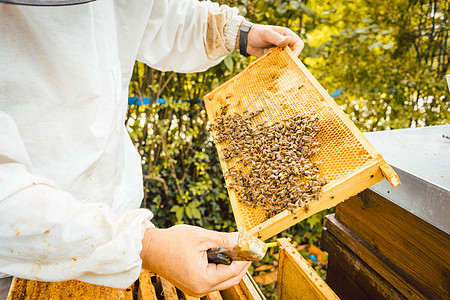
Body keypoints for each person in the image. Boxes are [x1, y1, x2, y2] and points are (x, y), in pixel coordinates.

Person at [0, 0, 303, 298]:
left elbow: (147, 12)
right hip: (18, 253)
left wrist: (236, 32)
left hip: (117, 218)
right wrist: (146, 245)